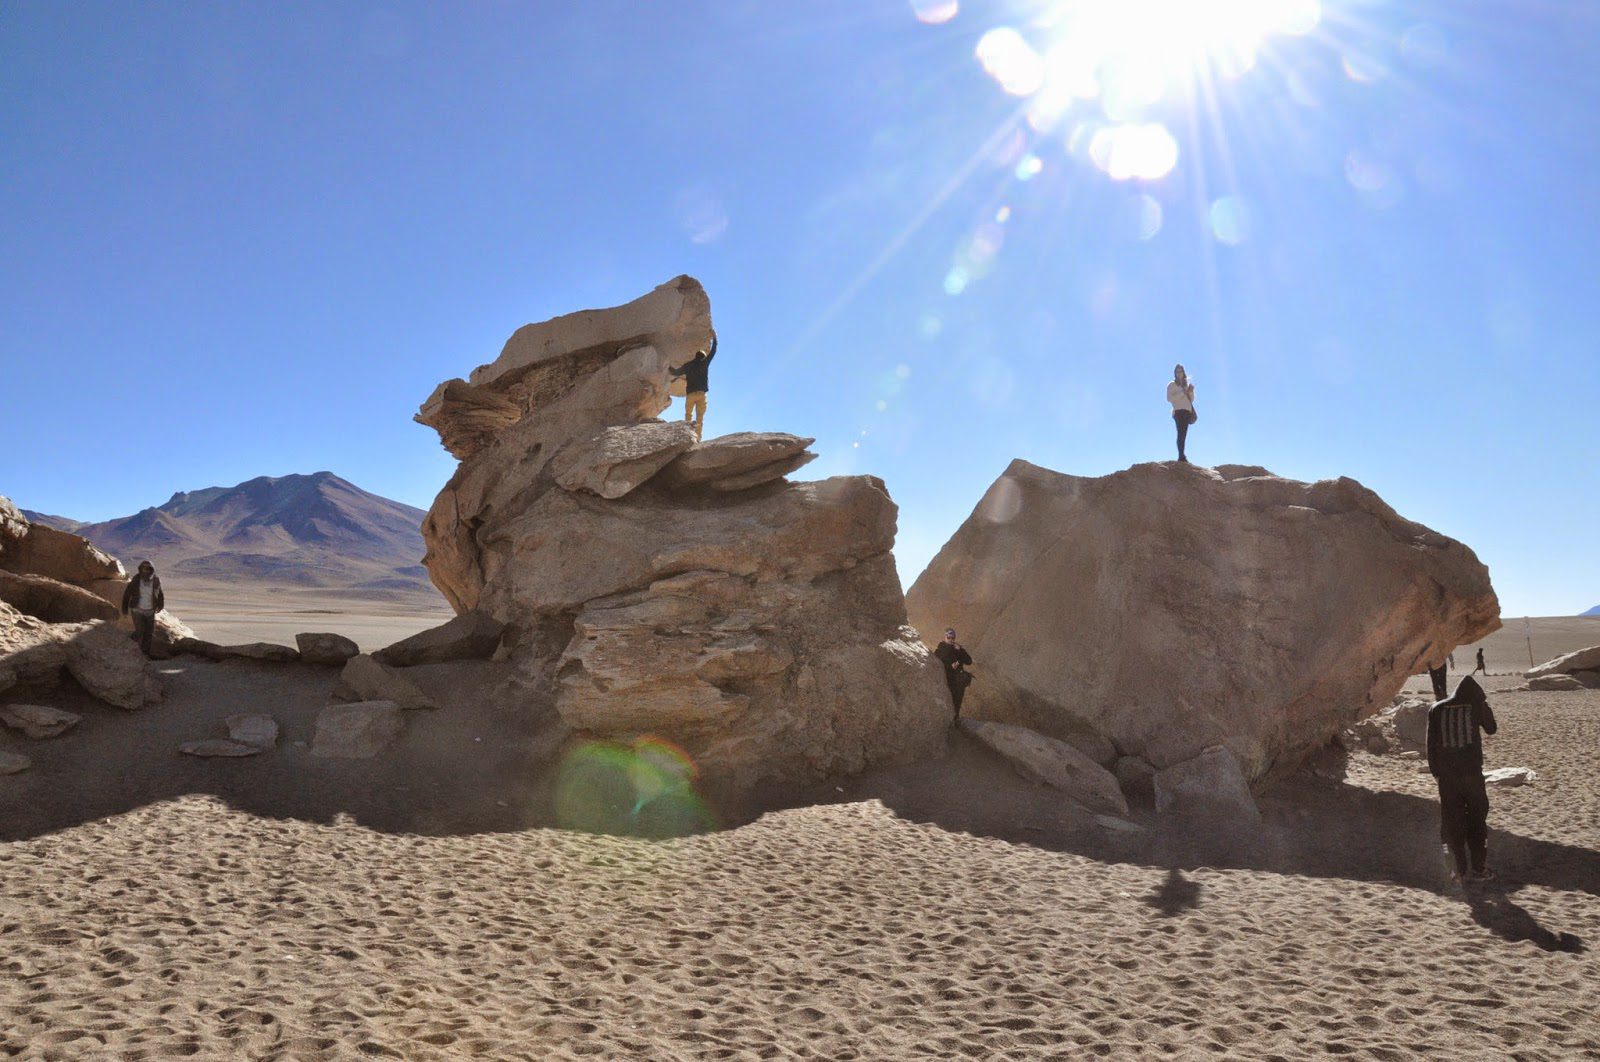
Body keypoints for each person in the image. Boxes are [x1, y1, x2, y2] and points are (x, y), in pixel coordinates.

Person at [1426, 675, 1498, 883]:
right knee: (1477, 820)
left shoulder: (1437, 709)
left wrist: (1436, 773)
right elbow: (1492, 728)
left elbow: (1431, 745)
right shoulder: (1476, 706)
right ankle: (1479, 868)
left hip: (1447, 778)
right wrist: (1485, 707)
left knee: (1450, 823)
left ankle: (1456, 872)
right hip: (1472, 775)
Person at [669, 335, 717, 442]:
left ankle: (687, 436)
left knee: (688, 416)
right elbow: (713, 351)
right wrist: (715, 338)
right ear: (703, 357)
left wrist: (667, 364)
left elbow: (675, 372)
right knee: (699, 417)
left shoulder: (688, 365)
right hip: (701, 394)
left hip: (690, 394)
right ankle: (698, 439)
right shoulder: (704, 363)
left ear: (695, 356)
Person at [120, 560, 165, 658]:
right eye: (143, 568)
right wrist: (124, 609)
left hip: (150, 611)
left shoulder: (156, 580)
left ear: (151, 570)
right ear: (140, 569)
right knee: (139, 631)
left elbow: (160, 594)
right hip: (137, 610)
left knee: (149, 633)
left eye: (148, 568)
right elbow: (127, 594)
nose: (145, 571)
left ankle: (145, 654)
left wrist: (160, 605)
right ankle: (132, 647)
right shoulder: (136, 580)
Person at [934, 628, 973, 720]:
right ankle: (950, 720)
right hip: (947, 680)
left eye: (953, 638)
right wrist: (950, 666)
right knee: (950, 701)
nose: (951, 640)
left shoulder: (957, 649)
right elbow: (937, 664)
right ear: (945, 637)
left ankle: (955, 719)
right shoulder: (940, 649)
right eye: (949, 637)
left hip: (958, 681)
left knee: (957, 701)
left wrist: (961, 650)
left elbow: (969, 661)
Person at [1166, 364, 1196, 462]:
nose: (1179, 373)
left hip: (1187, 411)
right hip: (1178, 411)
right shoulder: (1171, 384)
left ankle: (1182, 455)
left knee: (1183, 434)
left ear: (1184, 373)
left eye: (1181, 371)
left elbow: (1190, 400)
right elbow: (1169, 398)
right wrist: (1182, 392)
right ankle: (1181, 456)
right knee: (1181, 434)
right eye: (1177, 372)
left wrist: (1190, 392)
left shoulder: (1185, 385)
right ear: (1175, 373)